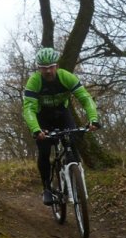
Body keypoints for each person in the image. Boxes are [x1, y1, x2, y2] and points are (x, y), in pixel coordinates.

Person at [23, 47, 100, 206]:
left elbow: (85, 98)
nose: (48, 71)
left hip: (62, 114)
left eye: (51, 66)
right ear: (39, 68)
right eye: (44, 68)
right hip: (42, 118)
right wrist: (36, 129)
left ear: (56, 66)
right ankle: (46, 188)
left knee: (72, 142)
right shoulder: (34, 81)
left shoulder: (66, 77)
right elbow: (28, 108)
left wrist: (93, 119)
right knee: (44, 151)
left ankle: (74, 173)